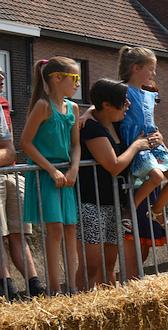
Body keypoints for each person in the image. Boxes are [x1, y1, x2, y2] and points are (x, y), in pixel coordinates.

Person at [75, 79, 152, 289]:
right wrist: (137, 146)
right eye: (123, 102)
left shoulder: (117, 122)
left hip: (114, 202)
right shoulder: (91, 128)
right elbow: (114, 165)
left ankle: (108, 303)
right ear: (108, 105)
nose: (128, 105)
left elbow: (97, 104)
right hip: (91, 203)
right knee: (91, 265)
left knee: (109, 264)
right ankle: (81, 305)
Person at [20, 57, 81, 294]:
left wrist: (73, 168)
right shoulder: (43, 106)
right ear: (57, 78)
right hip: (46, 174)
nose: (77, 84)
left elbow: (76, 145)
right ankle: (54, 290)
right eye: (74, 78)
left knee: (70, 229)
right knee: (54, 229)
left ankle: (72, 288)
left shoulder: (73, 108)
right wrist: (51, 169)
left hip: (66, 174)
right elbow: (25, 143)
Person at [117, 46, 168, 233]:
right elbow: (96, 107)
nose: (154, 73)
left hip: (154, 143)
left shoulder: (149, 94)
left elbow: (150, 121)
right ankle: (129, 210)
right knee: (156, 176)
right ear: (136, 68)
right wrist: (87, 115)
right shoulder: (122, 90)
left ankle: (156, 211)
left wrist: (162, 142)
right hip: (138, 144)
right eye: (151, 68)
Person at [0, 68, 45, 299]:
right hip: (6, 170)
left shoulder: (1, 105)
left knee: (19, 233)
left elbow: (8, 151)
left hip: (12, 172)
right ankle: (8, 290)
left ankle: (36, 287)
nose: (1, 77)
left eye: (1, 72)